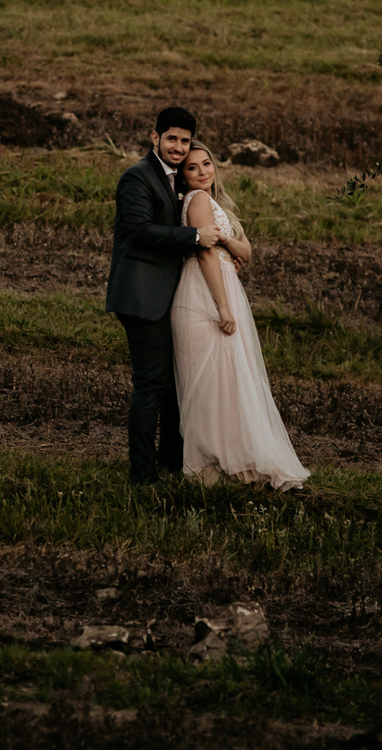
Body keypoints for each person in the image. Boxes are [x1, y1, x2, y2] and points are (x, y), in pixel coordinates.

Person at [170, 140, 310, 491]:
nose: (202, 172)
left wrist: (228, 244)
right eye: (192, 167)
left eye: (206, 164)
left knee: (228, 379)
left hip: (221, 283)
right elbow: (204, 256)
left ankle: (231, 460)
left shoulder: (215, 202)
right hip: (206, 291)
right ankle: (213, 462)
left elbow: (246, 249)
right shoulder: (198, 200)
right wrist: (222, 306)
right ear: (183, 177)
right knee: (215, 381)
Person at [105, 106, 223, 485]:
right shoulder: (137, 177)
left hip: (169, 296)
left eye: (184, 140)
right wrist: (193, 237)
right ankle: (142, 475)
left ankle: (172, 460)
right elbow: (139, 230)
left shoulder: (176, 180)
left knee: (174, 382)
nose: (178, 146)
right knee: (151, 383)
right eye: (171, 138)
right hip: (141, 296)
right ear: (154, 137)